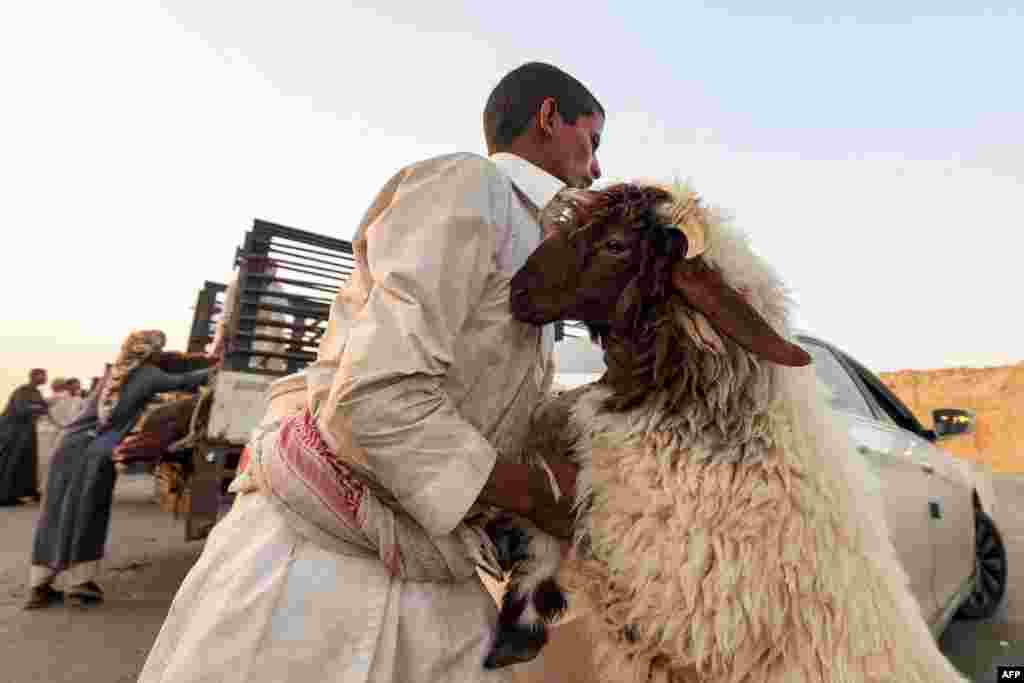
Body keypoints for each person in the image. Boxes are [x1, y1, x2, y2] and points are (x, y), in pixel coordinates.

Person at [138, 61, 603, 683]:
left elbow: (489, 410)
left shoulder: (537, 243)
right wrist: (543, 498)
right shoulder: (471, 186)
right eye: (591, 140)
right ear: (548, 117)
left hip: (428, 577)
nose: (596, 167)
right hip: (322, 585)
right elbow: (377, 397)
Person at [24, 330, 212, 609]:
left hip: (67, 447)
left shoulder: (116, 372)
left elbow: (174, 366)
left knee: (56, 512)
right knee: (88, 512)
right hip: (94, 451)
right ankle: (79, 584)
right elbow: (184, 381)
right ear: (150, 352)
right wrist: (218, 370)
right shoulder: (148, 374)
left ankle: (39, 586)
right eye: (159, 349)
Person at [209, 258, 292, 372]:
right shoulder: (236, 285)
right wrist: (217, 344)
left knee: (269, 371)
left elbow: (277, 325)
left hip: (266, 342)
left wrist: (257, 358)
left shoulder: (276, 289)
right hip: (239, 339)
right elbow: (225, 317)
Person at [0, 369, 50, 505]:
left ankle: (17, 494)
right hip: (14, 431)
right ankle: (4, 496)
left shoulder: (36, 392)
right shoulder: (22, 391)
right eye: (42, 375)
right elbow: (21, 409)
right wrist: (38, 408)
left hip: (26, 431)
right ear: (34, 376)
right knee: (11, 462)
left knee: (24, 462)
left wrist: (39, 407)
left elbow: (43, 408)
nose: (45, 378)